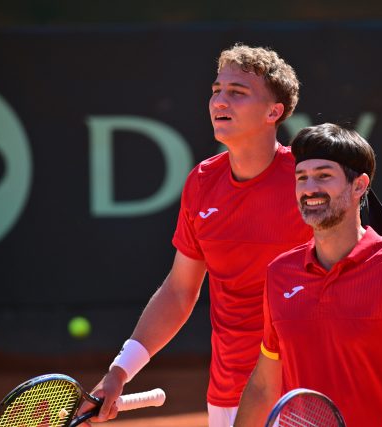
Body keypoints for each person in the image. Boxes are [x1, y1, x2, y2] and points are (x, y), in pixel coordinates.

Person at [81, 44, 312, 427]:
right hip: (227, 393)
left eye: (237, 92)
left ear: (274, 112)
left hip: (302, 392)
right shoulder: (202, 183)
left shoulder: (308, 182)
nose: (220, 100)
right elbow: (178, 291)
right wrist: (119, 371)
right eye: (216, 90)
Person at [234, 123, 382, 427]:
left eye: (324, 176)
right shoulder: (280, 273)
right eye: (301, 177)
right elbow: (263, 385)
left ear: (359, 185)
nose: (309, 188)